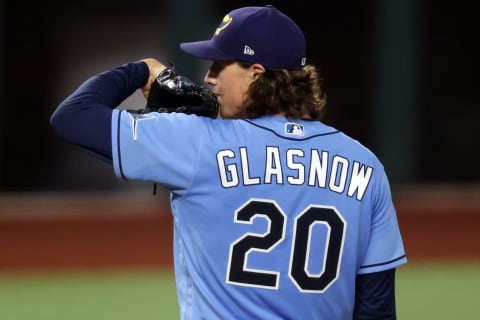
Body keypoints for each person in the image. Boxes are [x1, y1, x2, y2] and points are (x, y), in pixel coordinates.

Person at [50, 5, 407, 320]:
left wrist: (141, 71)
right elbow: (376, 309)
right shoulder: (365, 165)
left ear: (255, 72)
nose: (207, 77)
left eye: (220, 65)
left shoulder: (197, 142)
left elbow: (73, 117)